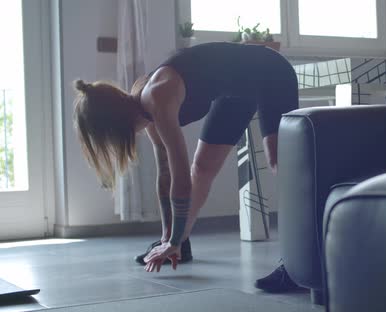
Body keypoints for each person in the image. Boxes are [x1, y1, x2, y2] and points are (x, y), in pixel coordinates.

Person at [72, 42, 299, 291]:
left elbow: (180, 177)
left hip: (268, 72)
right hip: (234, 91)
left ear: (115, 123)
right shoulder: (142, 108)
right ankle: (181, 243)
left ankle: (299, 263)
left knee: (278, 159)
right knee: (202, 168)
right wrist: (169, 237)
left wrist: (173, 238)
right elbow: (166, 173)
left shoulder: (157, 95)